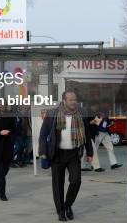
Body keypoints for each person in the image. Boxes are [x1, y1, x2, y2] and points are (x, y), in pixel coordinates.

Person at [39, 91, 94, 222]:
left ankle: (67, 205)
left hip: (73, 153)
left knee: (76, 181)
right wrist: (42, 151)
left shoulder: (81, 114)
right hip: (57, 154)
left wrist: (90, 152)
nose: (73, 102)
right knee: (58, 184)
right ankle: (60, 211)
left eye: (75, 99)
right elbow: (43, 134)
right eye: (70, 100)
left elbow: (87, 134)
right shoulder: (53, 114)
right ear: (64, 100)